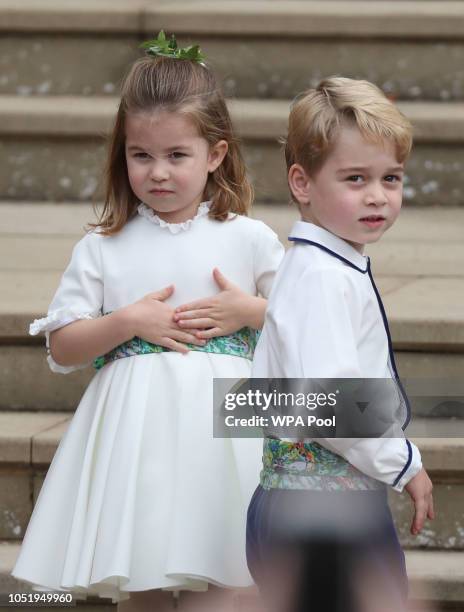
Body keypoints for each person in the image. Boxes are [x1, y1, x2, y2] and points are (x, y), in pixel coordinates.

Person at [11, 33, 284, 611]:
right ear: (123, 154)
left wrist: (252, 312)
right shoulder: (105, 246)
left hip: (227, 433)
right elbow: (64, 346)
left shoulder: (249, 238)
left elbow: (306, 325)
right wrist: (127, 321)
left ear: (214, 154)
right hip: (137, 441)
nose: (158, 173)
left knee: (234, 568)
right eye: (141, 156)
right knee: (144, 574)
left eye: (177, 156)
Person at [247, 77, 435, 612]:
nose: (377, 195)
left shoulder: (325, 266)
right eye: (356, 179)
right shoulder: (322, 277)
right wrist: (403, 463)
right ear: (302, 183)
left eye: (390, 178)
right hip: (322, 510)